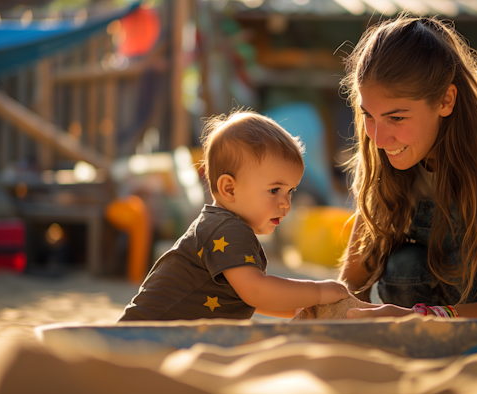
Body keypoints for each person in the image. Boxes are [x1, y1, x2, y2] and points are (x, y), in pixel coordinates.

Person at [337, 15, 477, 319]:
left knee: (466, 262)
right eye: (369, 115)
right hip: (430, 311)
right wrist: (332, 308)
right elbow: (353, 282)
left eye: (396, 118)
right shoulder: (382, 152)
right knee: (403, 267)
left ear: (446, 100)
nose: (379, 139)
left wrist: (420, 319)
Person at [119, 110, 349, 321]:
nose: (286, 203)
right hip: (145, 337)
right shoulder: (227, 230)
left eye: (290, 191)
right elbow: (257, 292)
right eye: (274, 190)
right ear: (229, 189)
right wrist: (317, 292)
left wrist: (297, 308)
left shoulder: (222, 224)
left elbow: (241, 298)